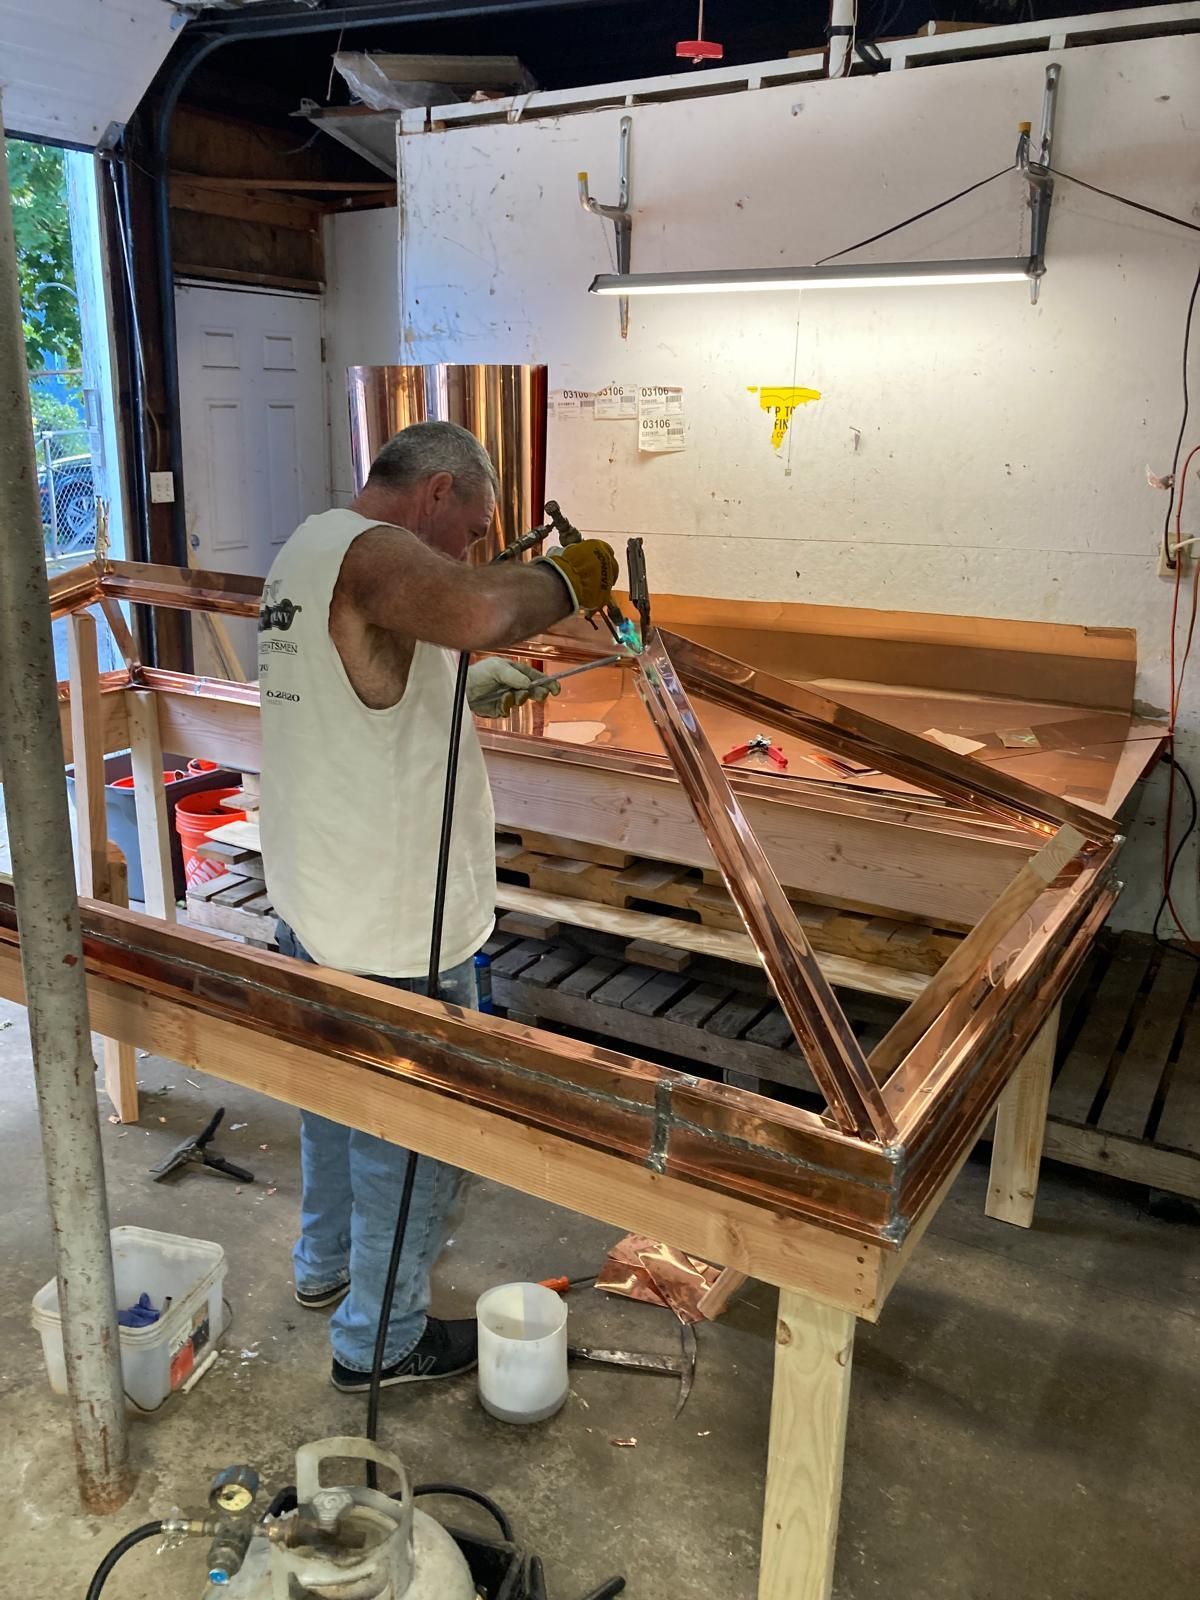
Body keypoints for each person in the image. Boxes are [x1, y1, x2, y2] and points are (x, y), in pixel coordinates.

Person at [258, 420, 618, 1392]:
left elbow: (365, 681)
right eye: (470, 528)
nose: (465, 549)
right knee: (408, 1137)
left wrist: (460, 687)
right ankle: (381, 1338)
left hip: (313, 903)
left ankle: (325, 1267)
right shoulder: (376, 552)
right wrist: (577, 577)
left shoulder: (305, 551)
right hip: (390, 925)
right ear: (437, 494)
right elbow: (479, 605)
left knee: (332, 1107)